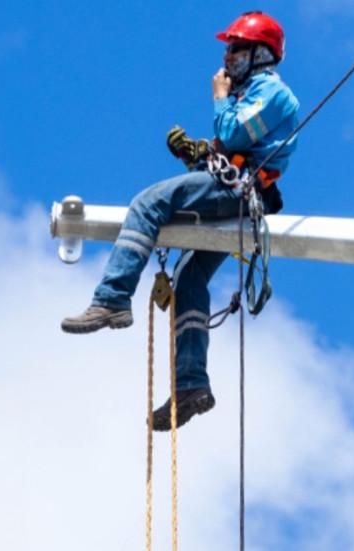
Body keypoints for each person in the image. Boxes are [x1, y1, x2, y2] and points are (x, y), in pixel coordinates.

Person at [61, 11, 299, 431]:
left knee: (148, 204)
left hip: (240, 193)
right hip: (236, 190)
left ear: (261, 54)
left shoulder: (274, 94)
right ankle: (191, 383)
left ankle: (113, 298)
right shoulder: (254, 94)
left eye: (236, 49)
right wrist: (198, 152)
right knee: (190, 278)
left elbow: (235, 133)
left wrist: (220, 96)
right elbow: (230, 145)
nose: (227, 58)